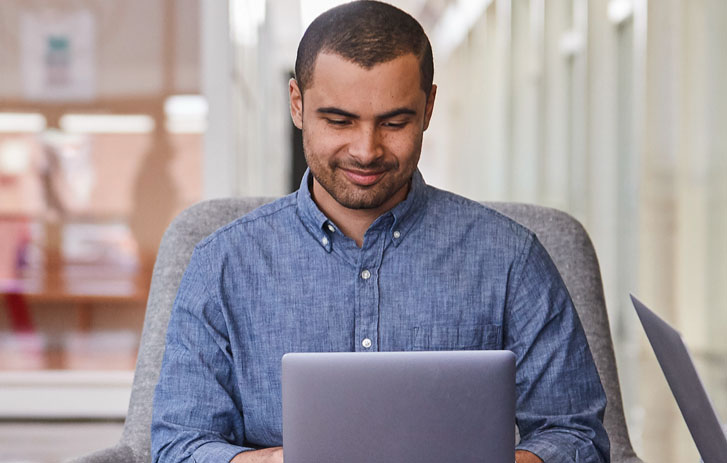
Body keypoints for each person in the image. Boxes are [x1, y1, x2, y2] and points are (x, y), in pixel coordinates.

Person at [151, 2, 609, 462]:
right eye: (339, 120)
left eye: (394, 123)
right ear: (297, 104)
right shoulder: (222, 265)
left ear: (428, 107)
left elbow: (577, 437)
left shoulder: (512, 259)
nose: (366, 151)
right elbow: (179, 447)